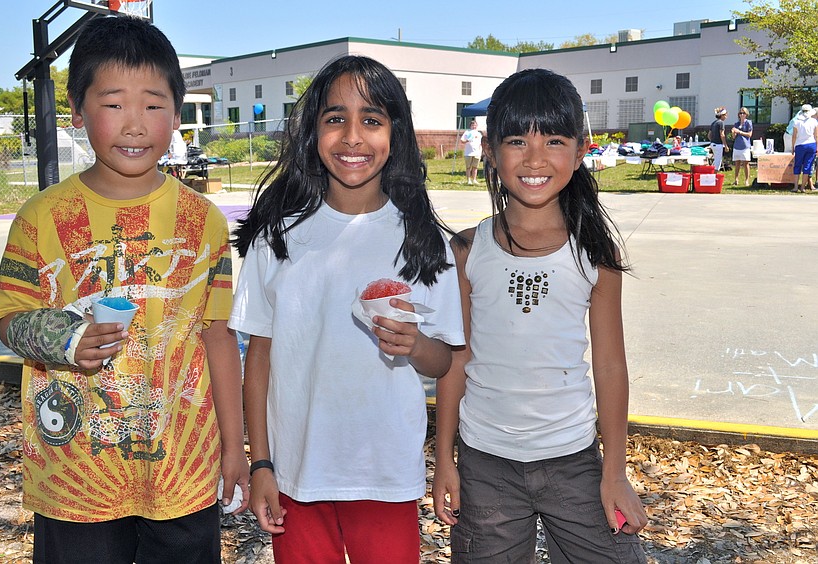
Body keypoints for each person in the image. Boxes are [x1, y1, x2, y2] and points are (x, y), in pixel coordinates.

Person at [0, 15, 248, 563]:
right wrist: (64, 338)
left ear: (177, 115)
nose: (135, 123)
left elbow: (218, 336)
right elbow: (11, 318)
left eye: (153, 104)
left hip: (183, 472)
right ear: (78, 112)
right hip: (75, 479)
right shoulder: (42, 219)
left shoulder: (205, 223)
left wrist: (235, 448)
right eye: (113, 103)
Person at [229, 55, 465, 563]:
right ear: (312, 131)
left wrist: (416, 344)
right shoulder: (277, 238)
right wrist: (261, 463)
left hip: (384, 473)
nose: (353, 136)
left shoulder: (423, 241)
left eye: (372, 120)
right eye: (336, 118)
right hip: (296, 473)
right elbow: (260, 362)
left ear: (395, 134)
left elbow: (444, 361)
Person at [432, 68, 647, 562]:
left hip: (575, 460)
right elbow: (455, 361)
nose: (534, 158)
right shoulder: (466, 249)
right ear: (488, 149)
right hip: (485, 465)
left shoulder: (595, 254)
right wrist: (445, 460)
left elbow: (611, 365)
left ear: (580, 149)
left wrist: (614, 471)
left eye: (553, 139)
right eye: (515, 140)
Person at [791, 103, 818, 193]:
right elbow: (816, 136)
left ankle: (795, 187)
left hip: (800, 145)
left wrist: (792, 147)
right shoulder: (814, 121)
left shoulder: (797, 121)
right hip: (811, 144)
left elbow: (794, 136)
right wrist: (817, 146)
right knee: (807, 166)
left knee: (797, 165)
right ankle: (802, 187)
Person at [731, 107, 753, 186]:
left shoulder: (748, 123)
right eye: (740, 113)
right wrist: (733, 132)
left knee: (746, 163)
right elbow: (734, 137)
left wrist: (739, 131)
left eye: (743, 113)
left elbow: (749, 135)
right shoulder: (736, 124)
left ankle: (747, 180)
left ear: (746, 114)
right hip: (737, 146)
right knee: (737, 163)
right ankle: (736, 179)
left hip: (745, 145)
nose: (742, 115)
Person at [461, 119, 483, 185]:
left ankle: (474, 179)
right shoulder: (467, 132)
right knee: (468, 167)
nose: (474, 126)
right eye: (473, 125)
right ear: (470, 126)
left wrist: (481, 151)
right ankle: (468, 180)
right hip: (468, 153)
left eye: (475, 125)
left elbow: (481, 143)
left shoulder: (479, 133)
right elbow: (462, 140)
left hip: (477, 153)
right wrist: (466, 141)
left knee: (475, 167)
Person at [710, 106, 729, 171]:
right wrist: (726, 145)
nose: (726, 116)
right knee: (718, 163)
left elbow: (709, 135)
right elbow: (722, 134)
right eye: (726, 114)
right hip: (718, 145)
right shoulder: (721, 123)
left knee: (715, 161)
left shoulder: (713, 123)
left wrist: (712, 140)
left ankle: (710, 175)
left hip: (713, 144)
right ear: (722, 115)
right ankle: (713, 178)